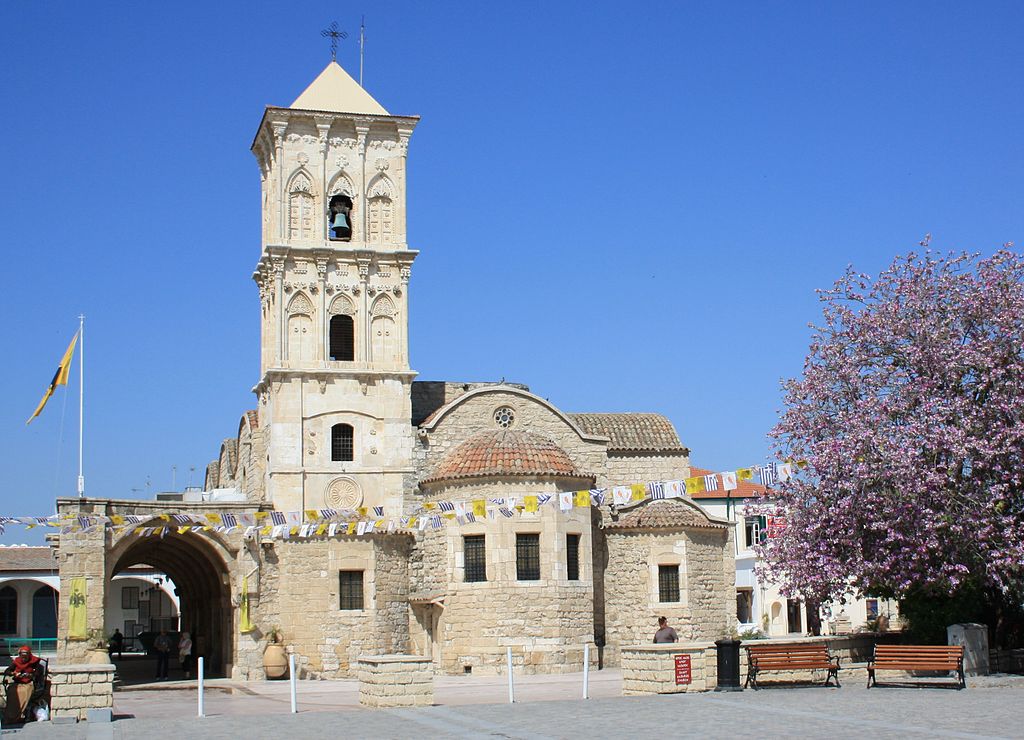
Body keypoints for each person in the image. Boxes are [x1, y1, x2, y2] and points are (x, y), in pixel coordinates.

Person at [3, 646, 42, 724]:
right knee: (12, 691)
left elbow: (37, 673)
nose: (24, 659)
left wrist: (29, 675)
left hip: (28, 683)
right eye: (22, 656)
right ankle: (10, 716)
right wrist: (13, 673)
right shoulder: (17, 661)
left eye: (25, 657)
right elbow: (7, 671)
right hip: (18, 682)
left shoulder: (34, 661)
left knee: (23, 692)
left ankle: (19, 716)